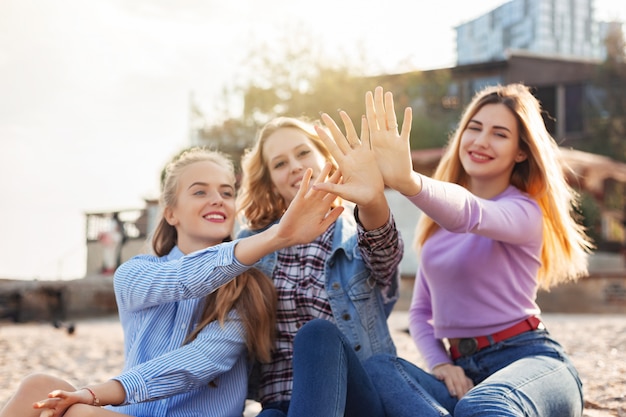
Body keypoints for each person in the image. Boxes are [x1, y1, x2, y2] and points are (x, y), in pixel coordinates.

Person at [0, 147, 343, 417]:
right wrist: (273, 238)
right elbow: (183, 279)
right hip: (128, 411)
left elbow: (198, 362)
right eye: (200, 192)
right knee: (38, 386)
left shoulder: (249, 289)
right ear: (171, 212)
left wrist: (96, 393)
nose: (217, 200)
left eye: (226, 192)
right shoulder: (134, 273)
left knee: (79, 413)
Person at [314, 85, 593, 417]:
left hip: (530, 361)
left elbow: (470, 213)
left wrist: (407, 181)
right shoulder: (435, 226)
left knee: (485, 404)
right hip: (462, 372)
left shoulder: (524, 211)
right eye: (474, 128)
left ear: (521, 152)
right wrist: (441, 363)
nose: (481, 141)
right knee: (378, 371)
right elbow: (420, 313)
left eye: (499, 134)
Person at [236, 116, 404, 417]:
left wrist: (373, 198)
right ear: (270, 181)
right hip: (281, 404)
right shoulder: (254, 244)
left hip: (354, 402)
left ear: (324, 155)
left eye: (302, 153)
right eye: (279, 164)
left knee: (317, 334)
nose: (295, 167)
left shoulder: (355, 235)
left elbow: (384, 251)